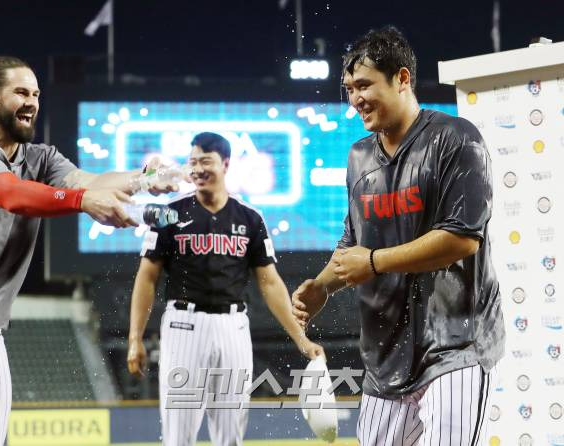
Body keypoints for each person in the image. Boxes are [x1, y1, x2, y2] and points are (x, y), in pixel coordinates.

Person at [292, 26, 505, 446]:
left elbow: (462, 238)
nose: (355, 99)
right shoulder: (358, 157)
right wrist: (322, 286)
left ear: (403, 78)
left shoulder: (456, 139)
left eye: (365, 84)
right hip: (385, 353)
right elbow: (351, 244)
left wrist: (372, 262)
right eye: (349, 88)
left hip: (455, 345)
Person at [0, 56, 175, 446]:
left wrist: (144, 179)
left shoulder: (39, 158)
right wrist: (81, 200)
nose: (32, 101)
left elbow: (90, 180)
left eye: (37, 94)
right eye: (21, 92)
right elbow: (11, 194)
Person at [127, 132, 324, 446]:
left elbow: (270, 282)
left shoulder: (250, 219)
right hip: (183, 324)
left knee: (231, 434)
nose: (198, 168)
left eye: (206, 160)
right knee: (178, 435)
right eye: (193, 162)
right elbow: (146, 277)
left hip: (233, 326)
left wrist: (300, 337)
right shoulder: (170, 214)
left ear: (226, 164)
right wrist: (135, 337)